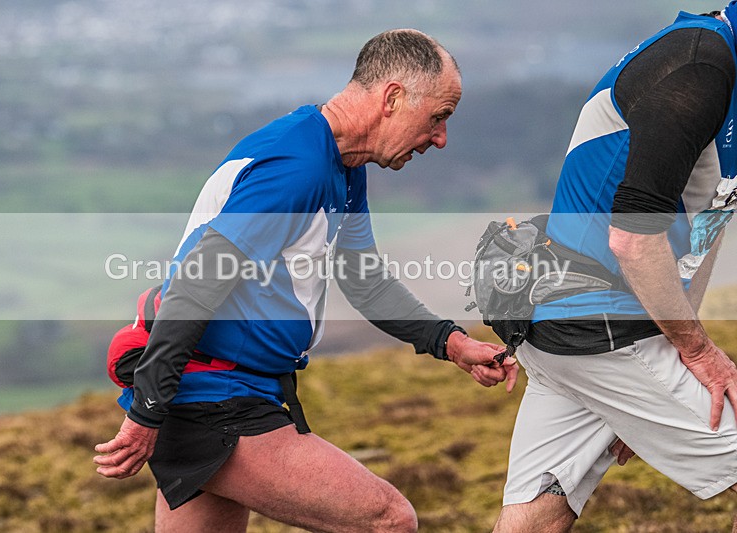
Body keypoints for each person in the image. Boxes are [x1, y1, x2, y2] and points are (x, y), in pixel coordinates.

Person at [94, 29, 518, 532]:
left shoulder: (341, 163)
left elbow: (363, 278)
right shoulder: (299, 168)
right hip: (214, 397)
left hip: (224, 388)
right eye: (439, 117)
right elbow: (195, 283)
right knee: (388, 520)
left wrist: (451, 342)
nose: (441, 138)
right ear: (393, 98)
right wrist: (147, 412)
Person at [493, 5, 737, 532]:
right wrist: (696, 350)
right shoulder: (699, 64)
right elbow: (632, 239)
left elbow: (707, 221)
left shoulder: (719, 67)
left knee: (537, 514)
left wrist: (669, 361)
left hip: (572, 328)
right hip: (600, 327)